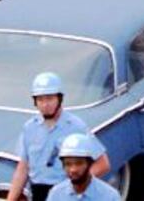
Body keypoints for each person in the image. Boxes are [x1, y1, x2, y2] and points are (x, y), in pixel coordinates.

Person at [6, 72, 110, 201]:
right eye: (40, 99)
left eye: (49, 98)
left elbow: (102, 164)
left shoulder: (76, 127)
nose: (45, 104)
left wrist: (75, 184)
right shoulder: (30, 127)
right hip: (38, 192)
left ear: (59, 99)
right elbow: (23, 168)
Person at [47, 134, 119, 201]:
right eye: (68, 164)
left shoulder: (110, 196)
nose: (73, 170)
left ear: (90, 163)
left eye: (79, 163)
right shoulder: (56, 194)